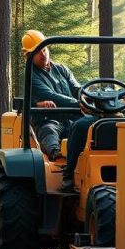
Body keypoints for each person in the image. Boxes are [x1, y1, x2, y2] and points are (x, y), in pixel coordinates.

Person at [23, 30, 81, 161]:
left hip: (72, 118)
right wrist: (79, 104)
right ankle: (56, 154)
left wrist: (88, 98)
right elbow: (51, 95)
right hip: (48, 119)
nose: (43, 55)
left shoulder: (62, 69)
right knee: (49, 130)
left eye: (44, 50)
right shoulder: (31, 75)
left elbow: (77, 89)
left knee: (89, 125)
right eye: (37, 53)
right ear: (29, 56)